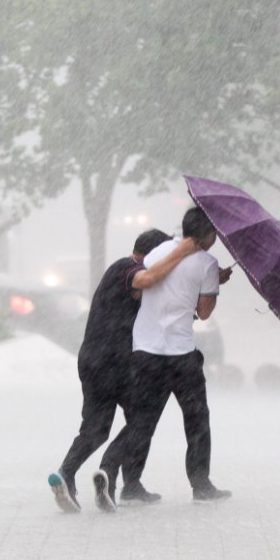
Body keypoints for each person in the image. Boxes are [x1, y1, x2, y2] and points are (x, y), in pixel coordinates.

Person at [48, 229, 198, 513]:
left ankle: (74, 475)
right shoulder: (126, 268)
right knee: (143, 418)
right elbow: (147, 278)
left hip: (96, 360)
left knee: (99, 428)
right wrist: (183, 251)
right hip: (113, 363)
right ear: (154, 255)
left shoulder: (129, 275)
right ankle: (110, 471)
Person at [94, 206, 233, 509]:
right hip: (180, 354)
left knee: (142, 420)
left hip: (145, 351)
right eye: (214, 233)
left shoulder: (156, 253)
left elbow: (150, 286)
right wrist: (215, 283)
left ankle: (119, 475)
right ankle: (201, 485)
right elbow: (204, 312)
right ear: (207, 235)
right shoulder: (208, 263)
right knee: (196, 419)